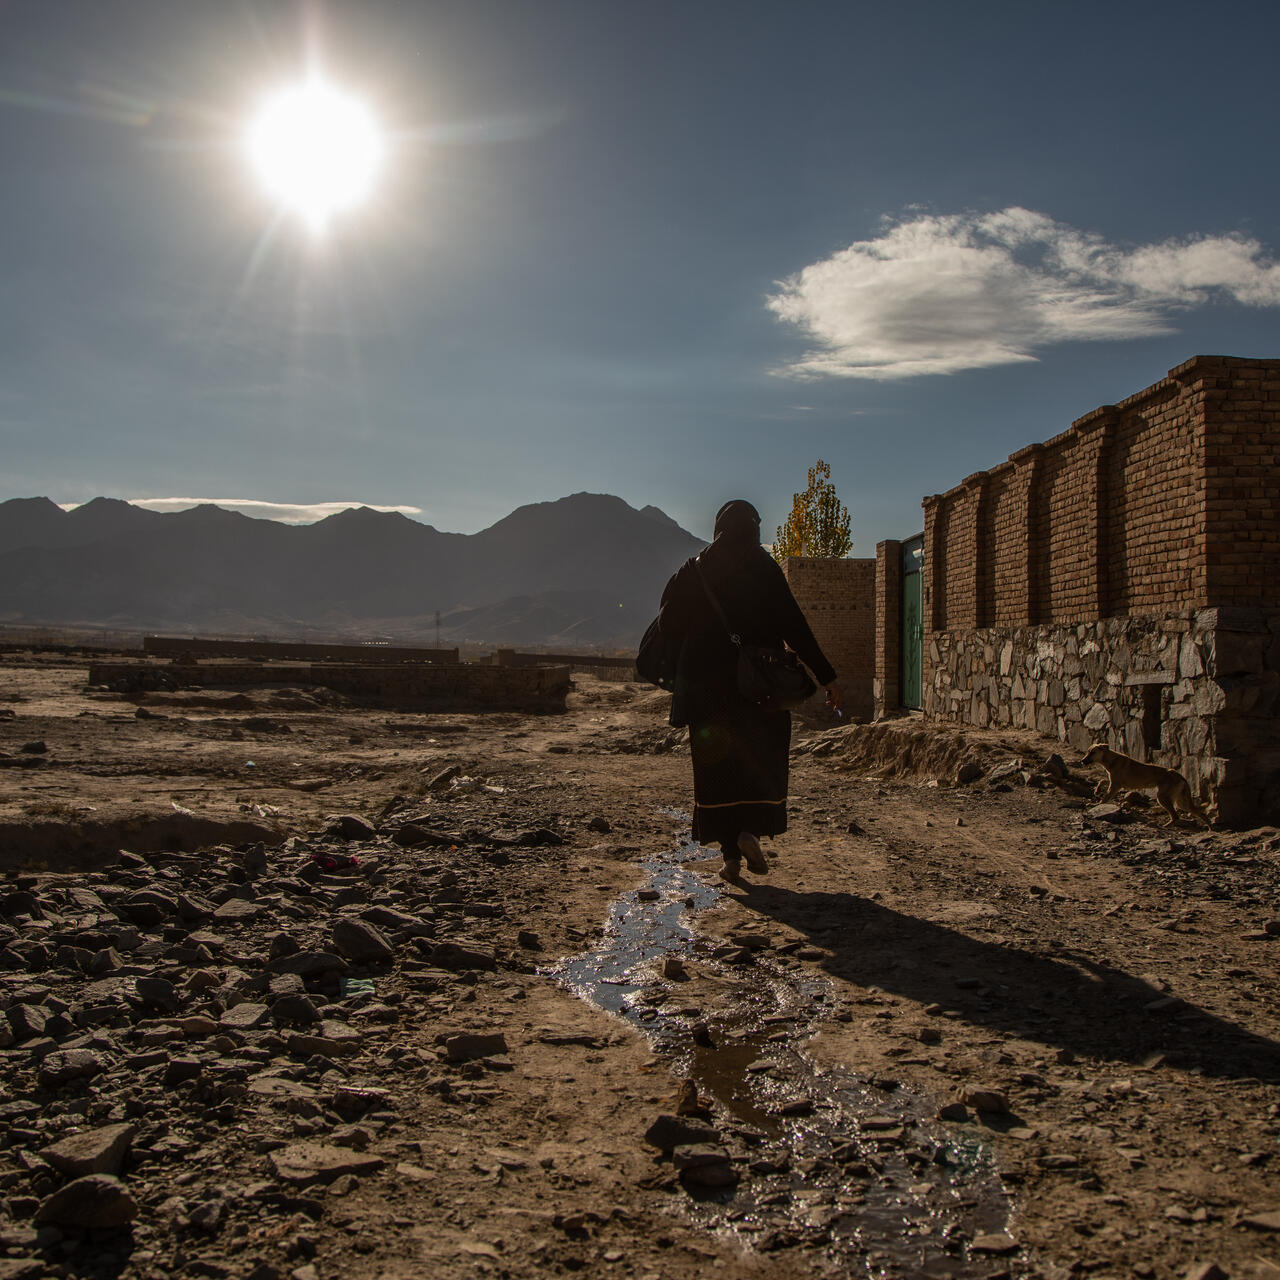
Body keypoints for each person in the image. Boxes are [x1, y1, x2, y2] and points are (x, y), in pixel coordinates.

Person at [657, 499, 842, 881]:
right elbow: (796, 626)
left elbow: (667, 622)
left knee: (719, 770)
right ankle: (748, 833)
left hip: (708, 694)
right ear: (754, 530)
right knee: (759, 763)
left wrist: (681, 668)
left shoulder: (696, 570)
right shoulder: (764, 568)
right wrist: (827, 675)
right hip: (760, 690)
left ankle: (730, 857)